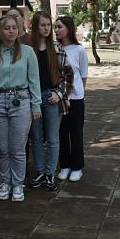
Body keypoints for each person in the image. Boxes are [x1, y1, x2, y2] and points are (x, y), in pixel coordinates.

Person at [0, 15, 42, 202]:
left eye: (14, 28)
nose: (11, 31)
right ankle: (5, 182)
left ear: (19, 30)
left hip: (21, 100)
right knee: (2, 148)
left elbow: (34, 79)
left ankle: (17, 184)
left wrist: (36, 105)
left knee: (18, 148)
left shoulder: (27, 52)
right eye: (7, 28)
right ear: (0, 31)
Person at [28, 11, 74, 191]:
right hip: (33, 98)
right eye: (43, 25)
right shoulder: (27, 49)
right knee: (36, 138)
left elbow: (69, 75)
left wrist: (60, 94)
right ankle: (40, 172)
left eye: (49, 25)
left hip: (51, 97)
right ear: (35, 26)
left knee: (54, 139)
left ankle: (50, 174)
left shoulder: (57, 48)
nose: (47, 29)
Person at [54, 16, 88, 182]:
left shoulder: (79, 50)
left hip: (75, 98)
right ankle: (65, 165)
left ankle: (77, 167)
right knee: (61, 133)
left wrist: (78, 93)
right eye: (55, 27)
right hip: (58, 98)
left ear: (68, 28)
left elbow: (83, 75)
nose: (56, 30)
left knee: (75, 133)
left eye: (59, 27)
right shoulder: (53, 48)